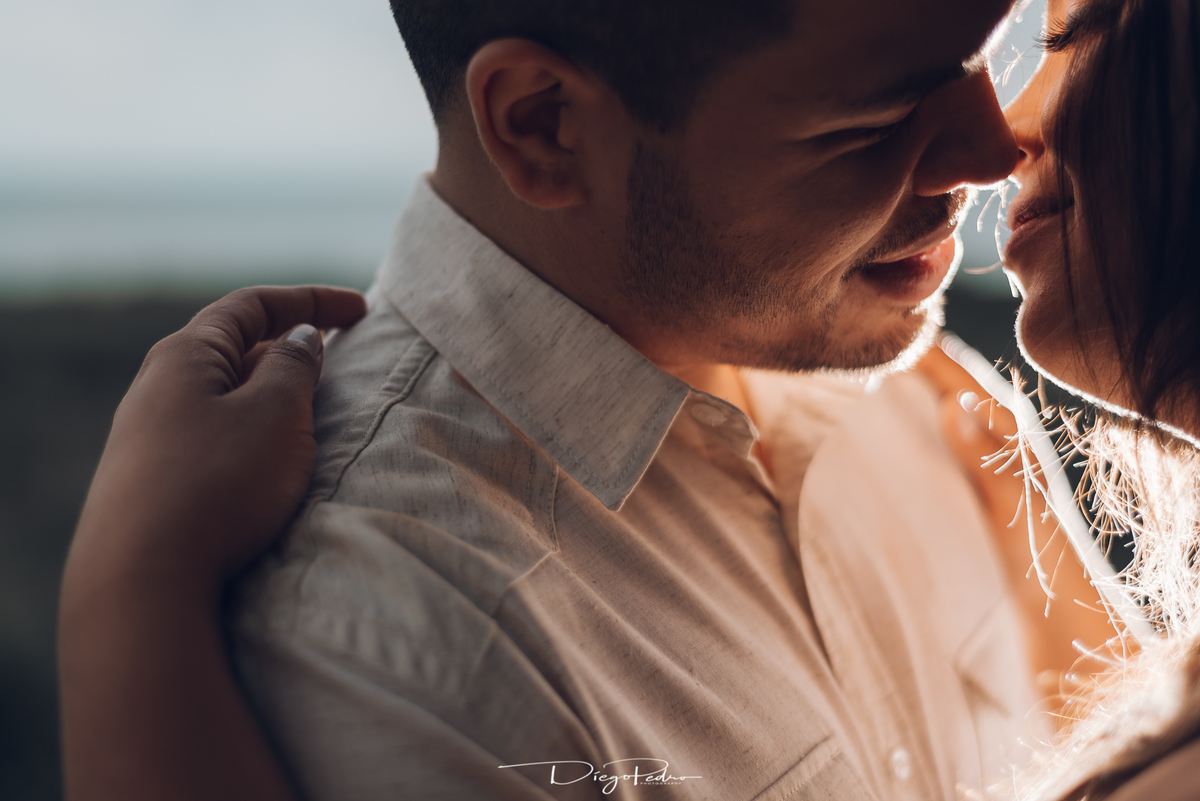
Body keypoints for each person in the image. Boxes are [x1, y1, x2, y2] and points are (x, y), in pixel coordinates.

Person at [223, 1, 1105, 799]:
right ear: (543, 125)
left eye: (981, 57)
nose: (995, 150)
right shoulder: (406, 648)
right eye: (876, 118)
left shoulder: (892, 362)